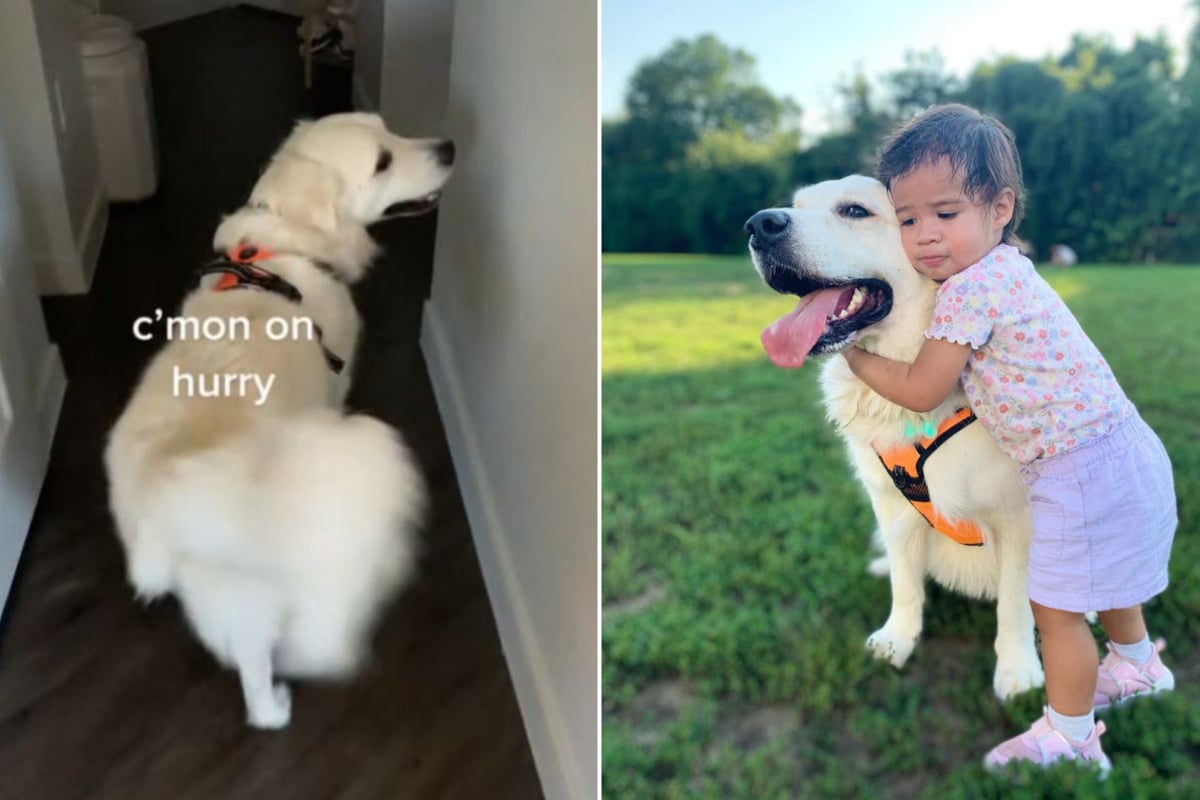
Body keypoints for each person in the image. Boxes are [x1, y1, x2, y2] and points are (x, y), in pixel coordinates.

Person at [842, 104, 1177, 774]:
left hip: (1074, 469)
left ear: (1000, 208)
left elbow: (921, 390)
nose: (924, 237)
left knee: (1055, 611)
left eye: (945, 213)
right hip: (1120, 448)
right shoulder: (1010, 270)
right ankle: (1139, 668)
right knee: (1107, 578)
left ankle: (1072, 737)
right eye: (907, 220)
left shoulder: (969, 291)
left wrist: (855, 355)